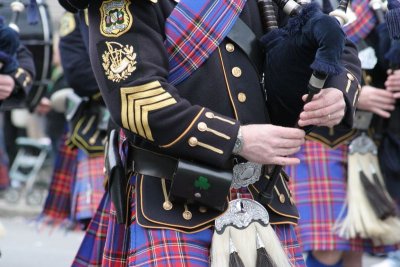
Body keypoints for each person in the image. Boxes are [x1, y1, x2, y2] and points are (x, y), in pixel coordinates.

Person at [61, 0, 361, 266]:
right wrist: (236, 138)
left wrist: (338, 90)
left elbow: (329, 38)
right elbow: (137, 101)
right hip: (172, 199)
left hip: (263, 194)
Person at [286, 1, 400, 267]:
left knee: (355, 243)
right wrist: (353, 92)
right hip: (319, 132)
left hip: (369, 138)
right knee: (328, 244)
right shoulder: (300, 5)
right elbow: (286, 60)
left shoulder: (387, 6)